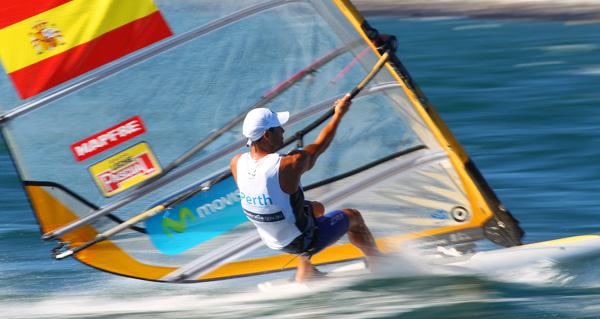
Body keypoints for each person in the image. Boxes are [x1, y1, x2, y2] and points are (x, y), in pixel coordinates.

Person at [230, 94, 380, 282]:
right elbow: (319, 146)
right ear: (267, 134)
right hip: (300, 239)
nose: (283, 130)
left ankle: (306, 269)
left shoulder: (237, 163)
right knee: (353, 216)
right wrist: (339, 114)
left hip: (271, 238)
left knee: (316, 208)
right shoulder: (289, 164)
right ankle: (380, 264)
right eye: (278, 128)